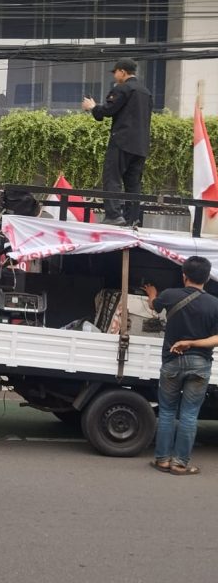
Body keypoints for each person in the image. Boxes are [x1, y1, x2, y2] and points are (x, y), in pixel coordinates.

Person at [144, 256, 218, 475]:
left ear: (183, 275)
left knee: (167, 412)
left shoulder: (170, 295)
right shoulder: (215, 304)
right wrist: (193, 344)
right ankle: (180, 464)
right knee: (189, 415)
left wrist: (152, 294)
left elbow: (153, 307)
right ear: (207, 278)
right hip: (200, 365)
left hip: (172, 363)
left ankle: (162, 460)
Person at [81, 58, 152, 226]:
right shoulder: (146, 92)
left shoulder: (123, 89)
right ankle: (132, 219)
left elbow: (108, 110)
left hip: (122, 141)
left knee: (112, 178)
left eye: (115, 72)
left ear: (122, 72)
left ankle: (113, 215)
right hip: (141, 146)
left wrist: (92, 107)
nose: (114, 76)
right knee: (133, 183)